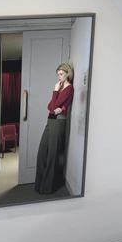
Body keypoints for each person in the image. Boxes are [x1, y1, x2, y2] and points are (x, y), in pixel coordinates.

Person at [35, 63, 74, 194]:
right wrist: (56, 100)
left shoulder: (69, 88)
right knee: (42, 153)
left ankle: (47, 188)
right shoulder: (61, 87)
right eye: (58, 74)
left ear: (68, 74)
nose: (59, 77)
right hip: (50, 120)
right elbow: (50, 107)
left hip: (58, 123)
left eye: (61, 74)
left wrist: (55, 91)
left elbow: (53, 106)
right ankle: (40, 184)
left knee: (52, 155)